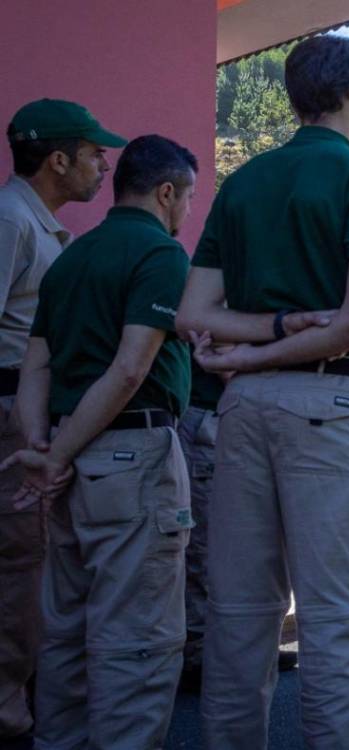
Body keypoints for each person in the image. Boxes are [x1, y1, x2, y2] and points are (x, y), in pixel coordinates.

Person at [176, 36, 349, 749]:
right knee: (340, 626)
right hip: (330, 409)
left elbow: (193, 315)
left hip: (243, 413)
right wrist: (282, 338)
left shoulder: (244, 182)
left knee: (238, 623)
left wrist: (251, 352)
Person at [3, 134, 197, 748]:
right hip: (131, 456)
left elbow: (37, 365)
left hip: (67, 455)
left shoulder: (71, 257)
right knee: (137, 641)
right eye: (187, 197)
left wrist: (42, 448)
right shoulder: (161, 255)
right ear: (166, 193)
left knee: (66, 632)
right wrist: (52, 457)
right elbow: (130, 368)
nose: (188, 210)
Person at [0, 98, 124, 744]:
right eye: (93, 153)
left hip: (25, 409)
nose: (103, 164)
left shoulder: (34, 223)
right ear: (57, 159)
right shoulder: (11, 221)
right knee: (17, 558)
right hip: (8, 411)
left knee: (30, 558)